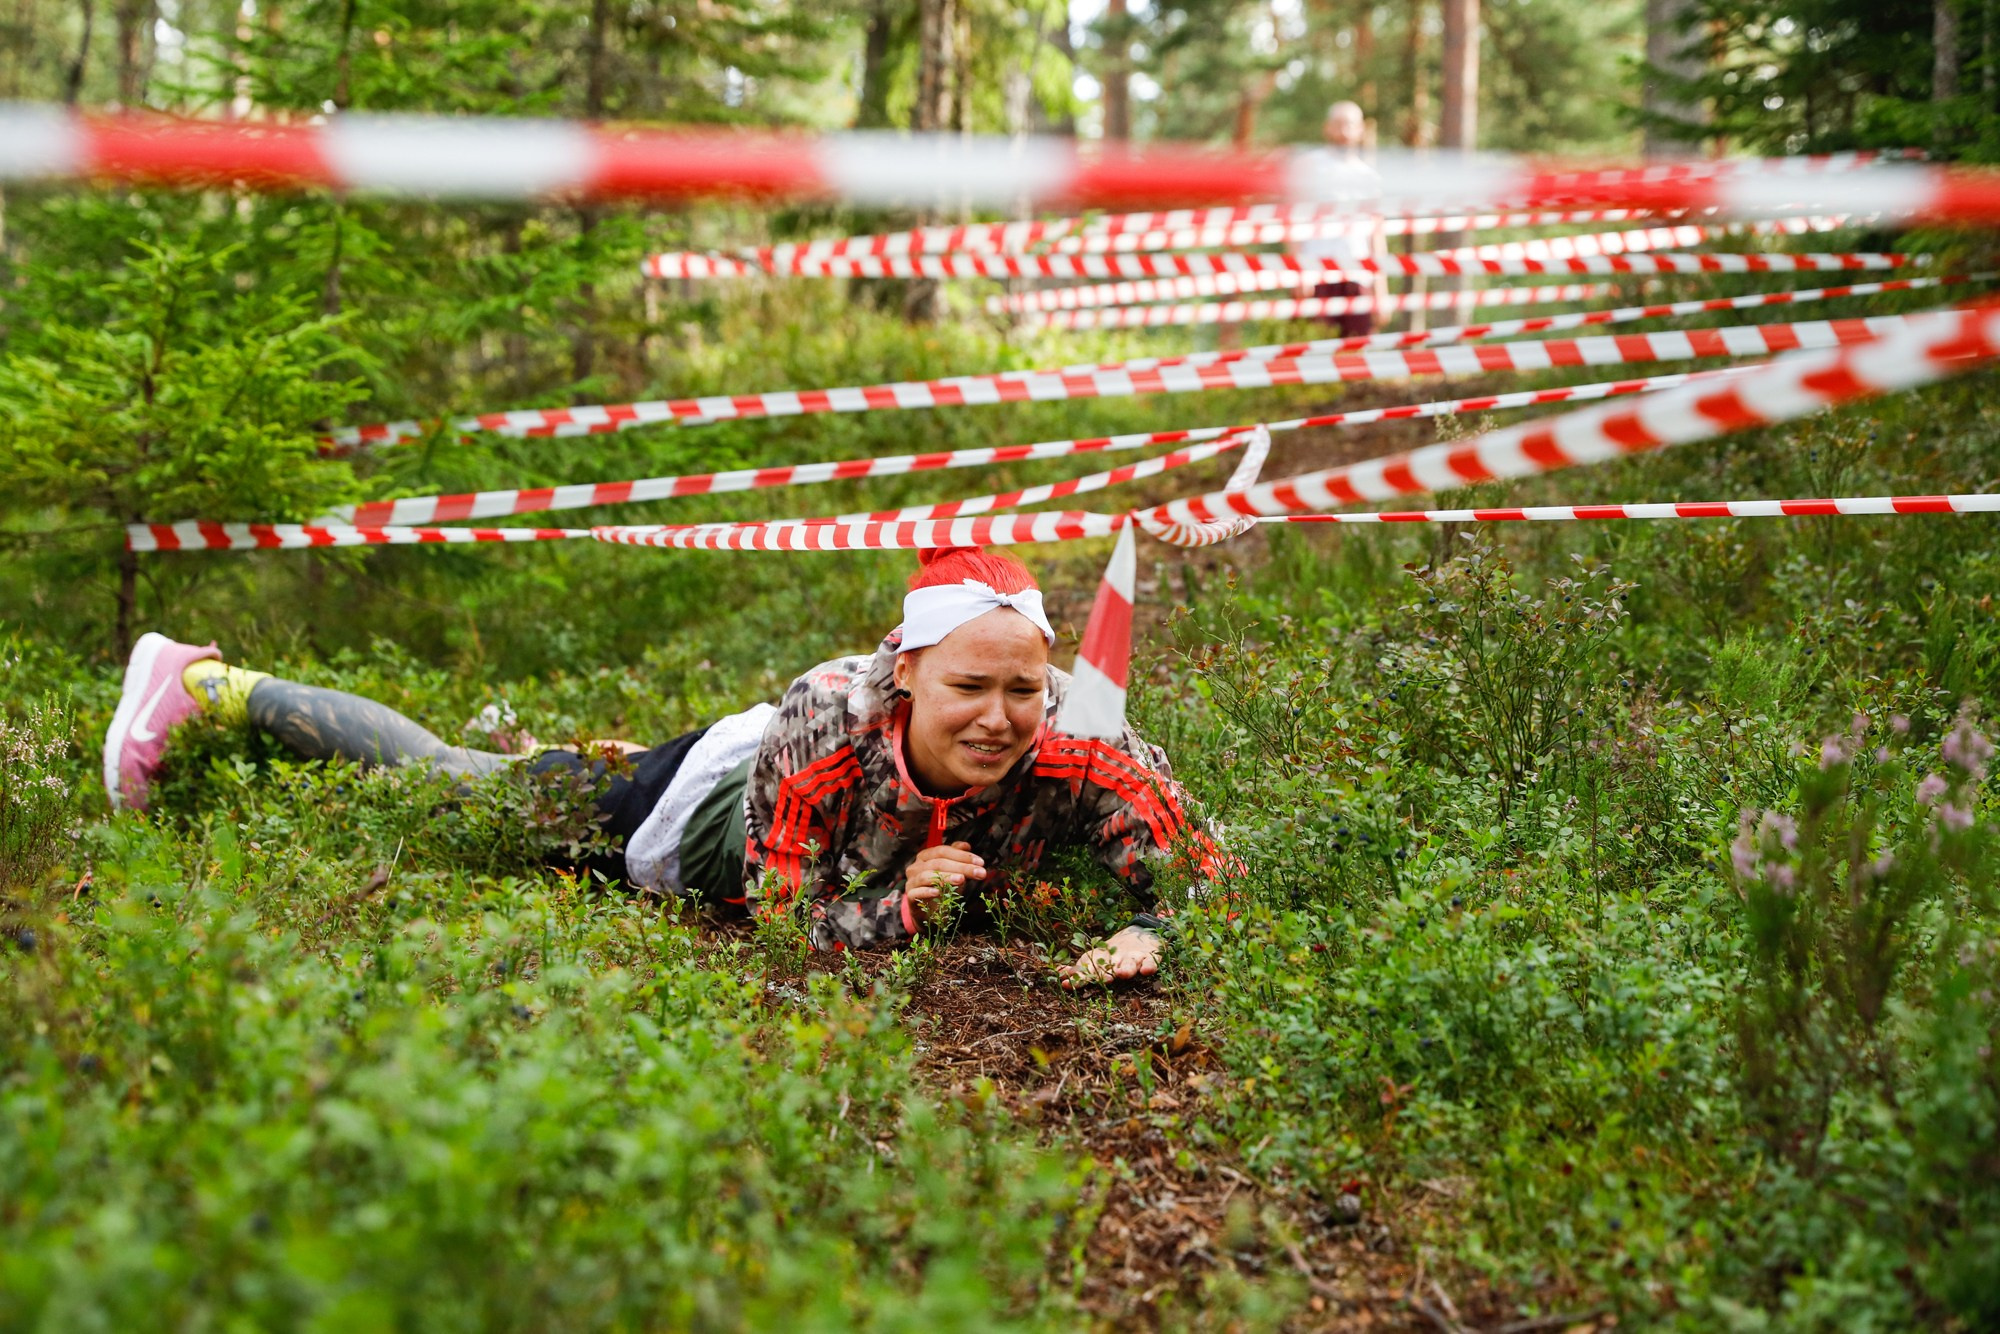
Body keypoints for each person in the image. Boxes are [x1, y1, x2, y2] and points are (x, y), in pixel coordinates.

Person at [103, 546, 1229, 985]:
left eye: (1020, 689)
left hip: (768, 798)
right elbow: (784, 919)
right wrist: (892, 905)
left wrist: (1161, 924)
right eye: (966, 689)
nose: (997, 717)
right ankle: (204, 684)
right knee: (468, 789)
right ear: (906, 676)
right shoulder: (830, 718)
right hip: (697, 812)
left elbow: (1210, 872)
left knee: (494, 771)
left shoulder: (1088, 739)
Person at [1292, 99, 1389, 339]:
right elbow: (1293, 222)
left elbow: (1376, 235)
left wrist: (1381, 291)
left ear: (1360, 130)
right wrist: (1298, 272)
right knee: (1313, 355)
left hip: (1358, 277)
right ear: (1327, 128)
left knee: (1357, 357)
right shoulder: (1309, 167)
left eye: (1350, 124)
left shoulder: (1370, 177)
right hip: (1317, 275)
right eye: (1338, 124)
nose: (1344, 131)